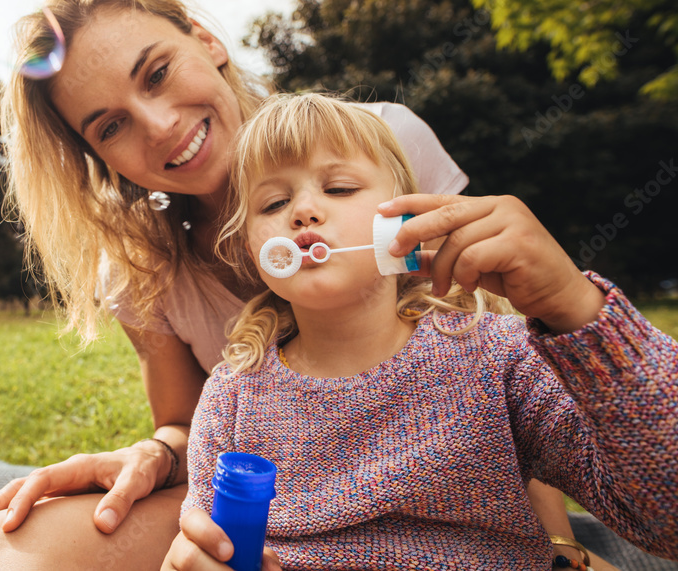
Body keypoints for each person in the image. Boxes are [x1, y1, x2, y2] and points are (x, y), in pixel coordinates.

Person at [0, 0, 604, 570]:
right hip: (274, 524)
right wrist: (154, 452)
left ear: (207, 42)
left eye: (156, 73)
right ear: (100, 158)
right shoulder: (138, 268)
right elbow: (184, 422)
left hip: (437, 508)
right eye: (112, 125)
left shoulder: (384, 144)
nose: (159, 125)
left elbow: (493, 363)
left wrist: (556, 544)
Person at [164, 93, 678, 569]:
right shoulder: (232, 395)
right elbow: (206, 544)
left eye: (339, 188)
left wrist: (575, 306)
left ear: (409, 221)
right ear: (255, 251)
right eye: (273, 204)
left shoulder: (494, 357)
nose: (302, 211)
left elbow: (663, 514)